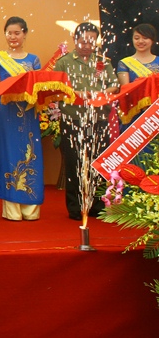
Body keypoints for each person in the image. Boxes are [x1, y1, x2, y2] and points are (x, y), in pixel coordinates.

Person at [54, 22, 119, 221]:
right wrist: (77, 93)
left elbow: (114, 86)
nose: (86, 46)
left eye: (91, 42)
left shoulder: (102, 62)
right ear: (75, 39)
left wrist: (98, 94)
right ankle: (75, 207)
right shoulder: (64, 62)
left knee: (97, 162)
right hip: (73, 118)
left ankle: (97, 205)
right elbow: (56, 88)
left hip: (98, 119)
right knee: (74, 163)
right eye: (83, 41)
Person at [0, 17, 44, 221]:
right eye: (9, 33)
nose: (13, 37)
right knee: (9, 154)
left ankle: (30, 208)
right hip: (7, 111)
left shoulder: (34, 60)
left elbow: (39, 85)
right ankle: (12, 209)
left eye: (17, 33)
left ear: (24, 34)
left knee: (31, 153)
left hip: (28, 111)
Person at [116, 23, 159, 168]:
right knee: (138, 158)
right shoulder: (125, 63)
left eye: (145, 38)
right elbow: (126, 90)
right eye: (137, 38)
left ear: (152, 40)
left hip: (156, 115)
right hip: (135, 116)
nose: (141, 41)